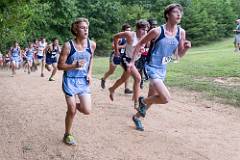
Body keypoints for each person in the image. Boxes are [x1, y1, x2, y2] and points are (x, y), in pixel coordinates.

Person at [131, 3, 191, 131]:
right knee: (165, 98)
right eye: (175, 12)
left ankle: (137, 117)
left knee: (152, 98)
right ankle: (142, 101)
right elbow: (139, 44)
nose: (179, 14)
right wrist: (131, 62)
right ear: (168, 15)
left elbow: (178, 55)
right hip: (151, 67)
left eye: (180, 12)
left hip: (163, 68)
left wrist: (185, 49)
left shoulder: (181, 32)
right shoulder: (157, 31)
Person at [58, 18, 96, 145]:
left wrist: (89, 73)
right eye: (82, 27)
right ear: (75, 29)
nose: (86, 30)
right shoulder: (68, 46)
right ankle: (67, 134)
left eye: (87, 27)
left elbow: (91, 59)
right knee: (72, 109)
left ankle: (72, 107)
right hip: (69, 80)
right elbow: (60, 66)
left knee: (87, 110)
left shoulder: (92, 44)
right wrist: (73, 65)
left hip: (83, 81)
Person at [108, 20, 149, 109]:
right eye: (143, 29)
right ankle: (136, 103)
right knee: (138, 78)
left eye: (146, 30)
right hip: (127, 59)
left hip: (136, 60)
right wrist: (116, 51)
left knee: (124, 79)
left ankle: (112, 89)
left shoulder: (146, 36)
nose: (145, 32)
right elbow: (115, 37)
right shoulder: (129, 35)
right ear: (137, 29)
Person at [101, 24, 133, 94]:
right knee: (111, 71)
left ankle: (126, 88)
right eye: (127, 30)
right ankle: (103, 79)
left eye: (130, 31)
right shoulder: (120, 38)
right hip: (115, 56)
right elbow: (112, 46)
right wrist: (122, 46)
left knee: (127, 71)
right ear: (123, 31)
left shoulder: (130, 38)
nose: (129, 32)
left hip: (123, 57)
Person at [135, 19, 159, 89]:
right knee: (140, 68)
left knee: (150, 67)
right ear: (149, 25)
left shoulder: (156, 33)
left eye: (155, 25)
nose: (154, 27)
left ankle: (151, 80)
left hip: (151, 53)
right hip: (142, 53)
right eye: (153, 25)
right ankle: (141, 80)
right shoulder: (144, 32)